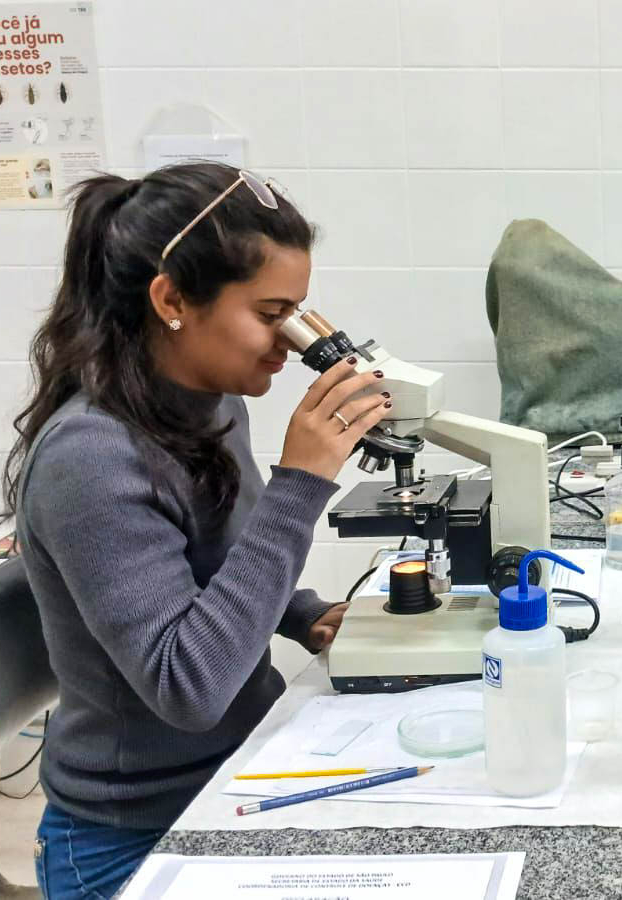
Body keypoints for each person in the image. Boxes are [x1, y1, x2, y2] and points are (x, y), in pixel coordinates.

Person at [2, 162, 391, 898]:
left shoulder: (207, 401)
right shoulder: (92, 456)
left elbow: (214, 562)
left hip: (236, 777)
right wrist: (301, 485)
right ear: (172, 298)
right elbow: (188, 686)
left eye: (298, 313)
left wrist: (306, 615)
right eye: (271, 312)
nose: (290, 341)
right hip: (136, 835)